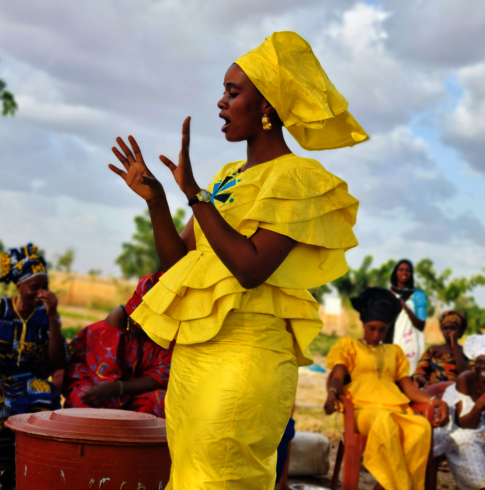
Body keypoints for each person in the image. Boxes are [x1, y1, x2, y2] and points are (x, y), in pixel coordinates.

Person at [108, 31, 365, 489]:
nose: (221, 104)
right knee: (189, 476)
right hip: (194, 359)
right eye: (223, 92)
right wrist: (159, 201)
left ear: (266, 105)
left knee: (222, 478)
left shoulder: (298, 177)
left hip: (246, 359)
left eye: (233, 92)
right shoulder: (226, 178)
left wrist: (194, 194)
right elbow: (178, 263)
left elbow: (249, 269)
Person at [325, 287, 449, 490]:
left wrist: (436, 401)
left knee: (421, 428)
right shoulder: (349, 346)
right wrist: (332, 393)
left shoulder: (395, 352)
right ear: (363, 324)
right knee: (384, 422)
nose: (376, 334)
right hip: (363, 411)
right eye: (371, 328)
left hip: (395, 409)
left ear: (388, 328)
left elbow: (409, 389)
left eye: (382, 330)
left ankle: (384, 487)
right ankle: (402, 487)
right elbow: (338, 376)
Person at [0, 244, 68, 490]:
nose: (40, 293)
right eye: (34, 287)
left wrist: (52, 316)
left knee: (45, 397)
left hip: (30, 379)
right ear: (19, 286)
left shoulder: (46, 315)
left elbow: (59, 361)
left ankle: (26, 470)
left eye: (44, 287)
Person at [63, 272, 172, 417]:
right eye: (138, 326)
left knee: (161, 402)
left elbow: (160, 374)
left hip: (129, 388)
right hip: (95, 381)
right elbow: (103, 377)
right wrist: (115, 395)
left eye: (150, 329)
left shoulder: (168, 331)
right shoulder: (118, 319)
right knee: (88, 407)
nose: (144, 332)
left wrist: (119, 388)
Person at [434, 334, 485, 490]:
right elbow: (464, 423)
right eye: (479, 362)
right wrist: (480, 404)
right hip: (459, 429)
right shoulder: (466, 379)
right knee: (466, 442)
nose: (482, 366)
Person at [387, 259, 428, 374]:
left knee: (407, 380)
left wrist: (406, 309)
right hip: (386, 344)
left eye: (408, 270)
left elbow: (421, 325)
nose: (404, 273)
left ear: (411, 274)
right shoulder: (386, 294)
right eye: (401, 269)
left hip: (408, 346)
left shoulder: (417, 295)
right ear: (395, 272)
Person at [413, 310, 471, 388]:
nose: (448, 331)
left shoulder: (467, 352)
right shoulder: (433, 350)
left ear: (460, 331)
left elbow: (466, 374)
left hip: (456, 393)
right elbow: (419, 373)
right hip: (432, 391)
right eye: (445, 328)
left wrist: (455, 347)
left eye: (453, 328)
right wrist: (426, 383)